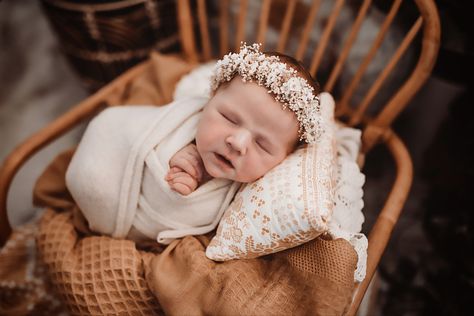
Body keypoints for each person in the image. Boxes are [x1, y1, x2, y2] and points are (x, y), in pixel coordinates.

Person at [65, 43, 324, 244]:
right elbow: (139, 133)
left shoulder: (259, 202)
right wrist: (180, 153)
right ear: (210, 99)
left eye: (263, 145)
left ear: (284, 158)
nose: (237, 143)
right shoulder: (185, 122)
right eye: (229, 118)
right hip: (113, 157)